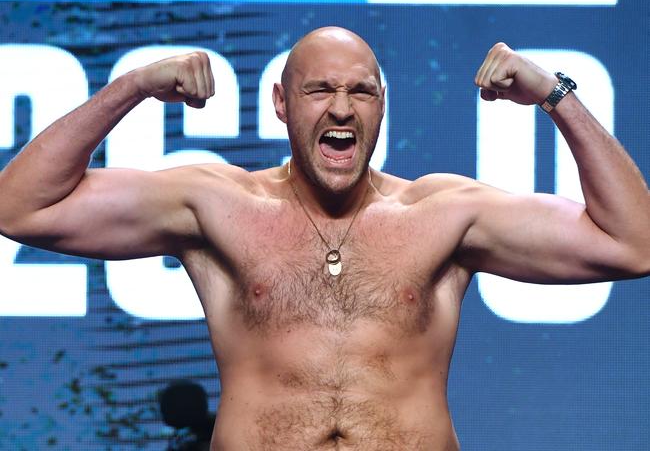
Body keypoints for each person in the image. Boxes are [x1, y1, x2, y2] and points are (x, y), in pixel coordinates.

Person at [0, 26, 648, 450]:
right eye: (320, 90)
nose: (341, 108)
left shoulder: (443, 213)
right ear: (282, 104)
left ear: (381, 107)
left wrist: (555, 96)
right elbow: (20, 208)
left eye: (361, 91)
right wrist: (131, 87)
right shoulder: (216, 205)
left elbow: (632, 244)